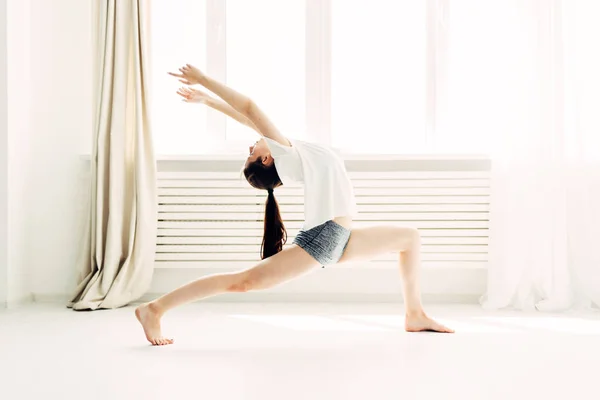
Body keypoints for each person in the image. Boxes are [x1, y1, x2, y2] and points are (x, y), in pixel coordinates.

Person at [135, 64, 454, 346]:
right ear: (266, 158)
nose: (251, 144)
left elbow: (246, 117)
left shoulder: (289, 151)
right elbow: (249, 107)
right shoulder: (286, 155)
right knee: (244, 282)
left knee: (410, 237)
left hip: (339, 236)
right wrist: (204, 80)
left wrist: (208, 101)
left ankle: (414, 314)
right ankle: (155, 309)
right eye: (251, 152)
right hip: (325, 237)